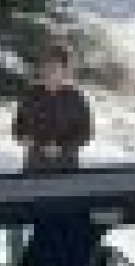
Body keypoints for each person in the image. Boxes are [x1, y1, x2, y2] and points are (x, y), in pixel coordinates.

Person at [11, 39, 94, 171]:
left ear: (65, 71)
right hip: (35, 164)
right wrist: (27, 139)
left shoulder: (76, 98)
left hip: (66, 165)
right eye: (46, 67)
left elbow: (85, 135)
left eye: (54, 68)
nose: (49, 72)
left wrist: (61, 147)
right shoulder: (30, 95)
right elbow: (17, 130)